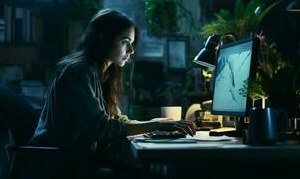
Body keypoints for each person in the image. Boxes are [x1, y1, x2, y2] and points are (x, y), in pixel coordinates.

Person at [28, 9, 196, 178]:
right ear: (104, 39)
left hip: (78, 161)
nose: (131, 50)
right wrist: (156, 124)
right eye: (125, 42)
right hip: (61, 166)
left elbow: (115, 119)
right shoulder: (80, 72)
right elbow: (101, 129)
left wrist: (153, 124)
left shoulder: (101, 73)